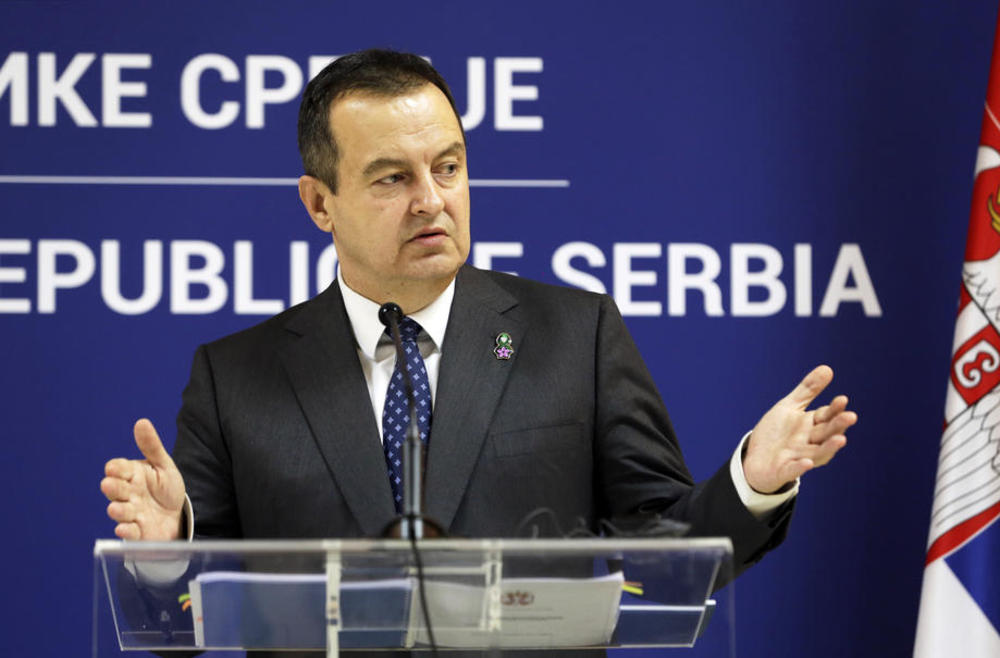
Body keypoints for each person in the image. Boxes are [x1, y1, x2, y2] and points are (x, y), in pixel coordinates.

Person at [101, 49, 856, 574]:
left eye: (449, 167)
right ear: (319, 204)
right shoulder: (236, 377)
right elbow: (185, 622)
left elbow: (665, 556)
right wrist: (167, 555)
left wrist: (752, 480)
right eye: (392, 178)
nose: (431, 200)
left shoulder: (576, 337)